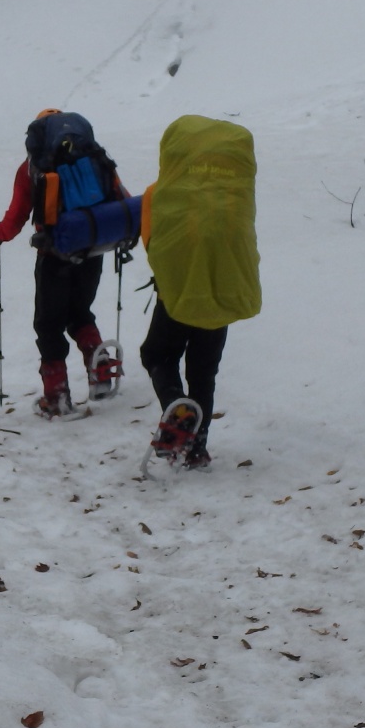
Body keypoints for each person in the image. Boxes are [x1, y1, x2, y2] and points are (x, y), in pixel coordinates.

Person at [139, 115, 261, 468]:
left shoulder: (160, 195)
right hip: (222, 291)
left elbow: (152, 243)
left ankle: (177, 413)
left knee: (158, 355)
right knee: (203, 371)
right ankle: (197, 447)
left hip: (177, 293)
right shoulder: (229, 197)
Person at [0, 109, 128, 417]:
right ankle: (101, 367)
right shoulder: (94, 159)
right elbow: (119, 196)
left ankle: (57, 397)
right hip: (93, 248)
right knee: (79, 313)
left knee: (48, 324)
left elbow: (15, 217)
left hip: (55, 254)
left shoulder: (33, 168)